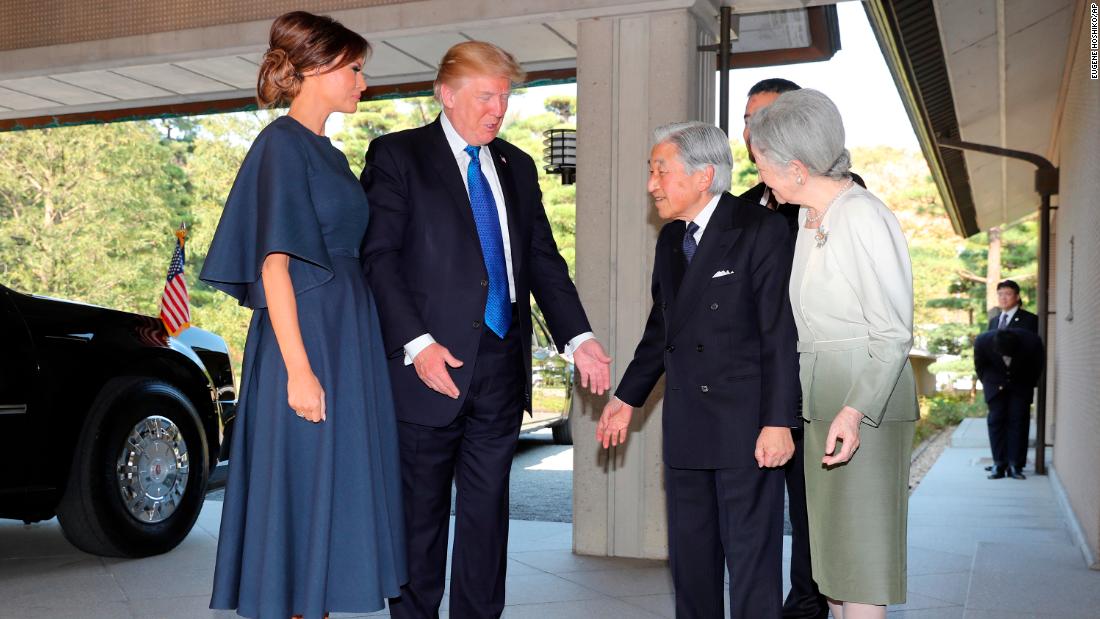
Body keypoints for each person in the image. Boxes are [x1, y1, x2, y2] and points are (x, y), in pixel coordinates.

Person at [360, 41, 611, 619]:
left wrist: (580, 338)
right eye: (485, 96)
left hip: (500, 368)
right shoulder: (398, 156)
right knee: (419, 522)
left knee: (486, 518)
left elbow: (543, 261)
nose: (498, 109)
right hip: (430, 368)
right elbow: (379, 259)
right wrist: (417, 344)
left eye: (504, 97)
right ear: (446, 96)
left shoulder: (516, 166)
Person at [201, 11, 405, 619]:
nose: (364, 81)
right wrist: (299, 370)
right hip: (308, 340)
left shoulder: (327, 153)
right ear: (316, 69)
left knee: (326, 493)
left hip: (343, 337)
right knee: (301, 493)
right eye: (355, 68)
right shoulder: (281, 145)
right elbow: (273, 268)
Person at [596, 121, 799, 619]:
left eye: (660, 171)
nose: (651, 184)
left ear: (704, 175)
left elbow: (779, 334)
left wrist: (779, 423)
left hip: (746, 427)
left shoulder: (760, 229)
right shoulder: (670, 241)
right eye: (651, 172)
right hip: (686, 424)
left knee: (751, 567)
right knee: (691, 566)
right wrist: (626, 399)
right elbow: (660, 331)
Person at [749, 89, 919, 619]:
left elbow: (892, 332)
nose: (762, 178)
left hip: (863, 404)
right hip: (821, 404)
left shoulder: (863, 216)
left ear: (796, 168)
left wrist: (853, 409)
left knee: (859, 565)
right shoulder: (807, 219)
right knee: (833, 566)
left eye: (764, 166)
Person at [739, 77, 864, 619]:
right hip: (754, 382)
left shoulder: (838, 199)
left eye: (764, 117)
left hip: (819, 382)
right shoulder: (740, 208)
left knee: (814, 507)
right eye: (747, 120)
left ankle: (809, 603)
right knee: (754, 509)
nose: (752, 131)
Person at [974, 327, 1044, 479]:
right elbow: (980, 367)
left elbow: (1037, 366)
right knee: (995, 421)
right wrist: (989, 384)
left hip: (1021, 383)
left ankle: (1015, 465)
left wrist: (1026, 384)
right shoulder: (982, 341)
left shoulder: (1032, 342)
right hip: (994, 384)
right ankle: (999, 463)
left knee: (1019, 422)